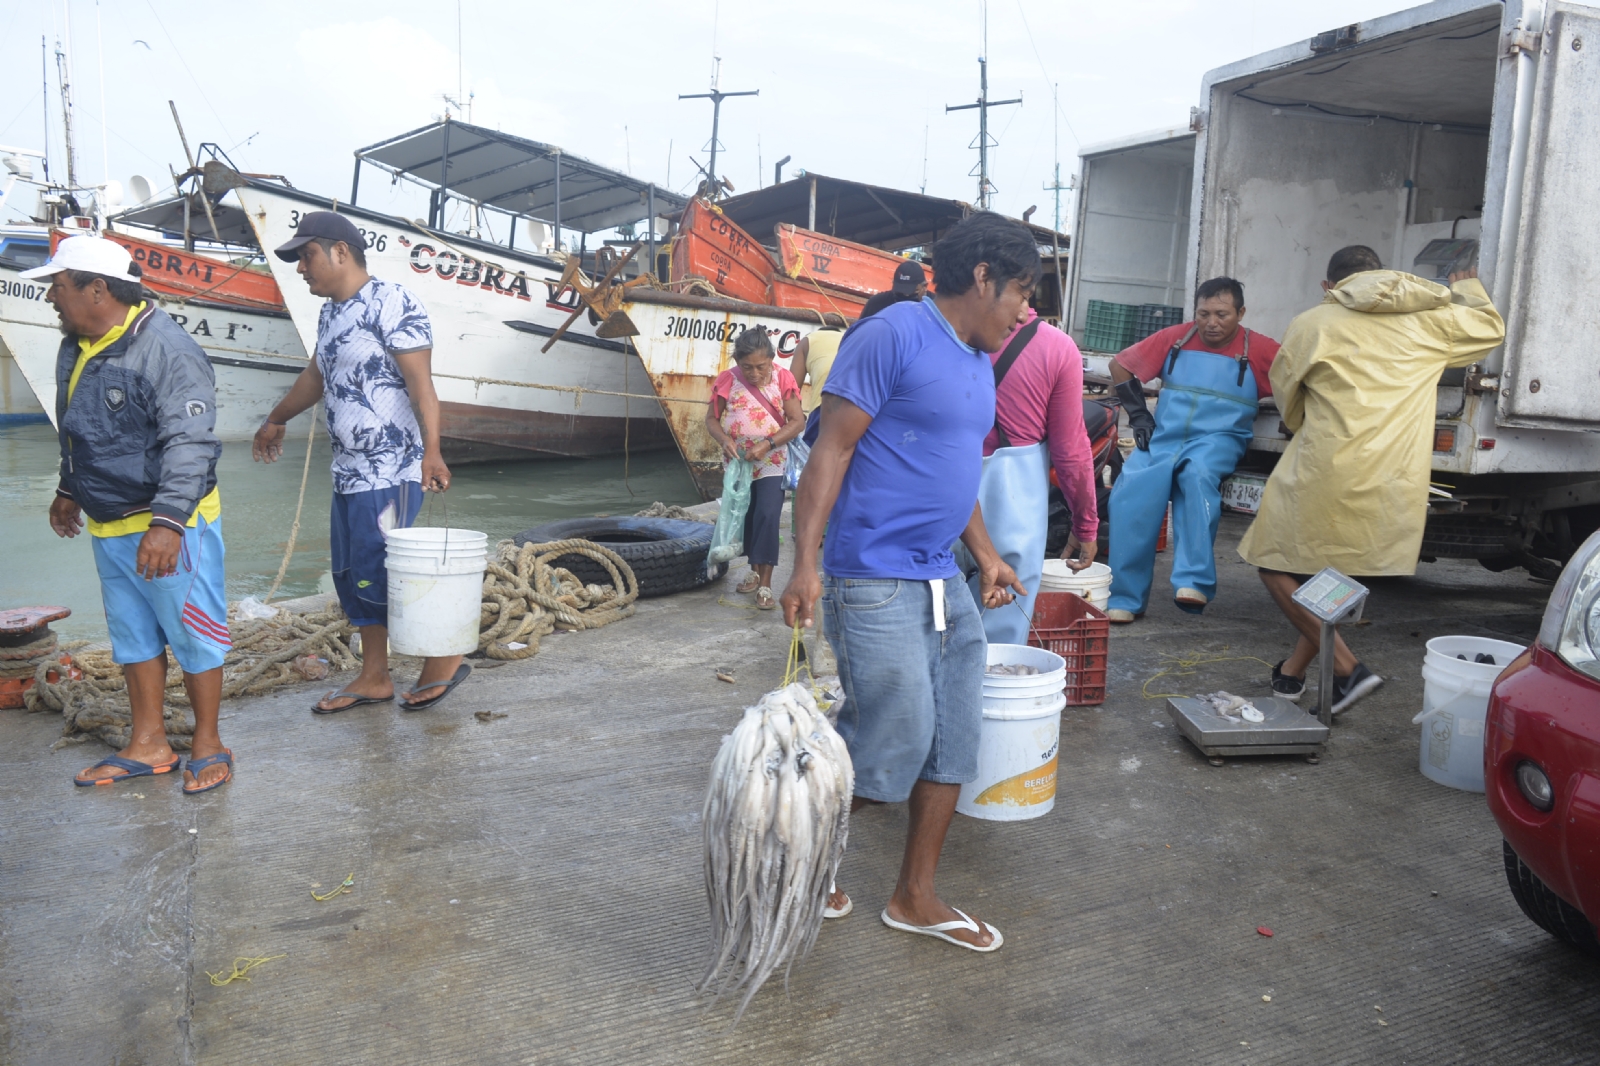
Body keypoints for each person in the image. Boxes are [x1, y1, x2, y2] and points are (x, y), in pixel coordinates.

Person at [780, 212, 1035, 953]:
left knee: (954, 739)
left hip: (943, 577)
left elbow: (954, 472)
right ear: (982, 277)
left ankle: (914, 896)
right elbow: (831, 452)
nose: (1025, 308)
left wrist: (984, 554)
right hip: (874, 578)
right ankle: (792, 852)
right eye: (1020, 289)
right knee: (890, 741)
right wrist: (805, 561)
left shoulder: (977, 357)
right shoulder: (889, 334)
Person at [1238, 246, 1505, 714]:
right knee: (1333, 577)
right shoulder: (1429, 322)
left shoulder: (1312, 325)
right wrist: (1465, 288)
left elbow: (1288, 398)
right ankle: (1293, 673)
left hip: (1326, 467)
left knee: (1270, 562)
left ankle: (1349, 670)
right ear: (1384, 275)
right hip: (1395, 477)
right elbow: (1490, 330)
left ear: (1329, 286)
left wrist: (1305, 422)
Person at [30, 236, 234, 793]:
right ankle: (149, 744)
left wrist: (167, 524)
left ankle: (210, 743)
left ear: (97, 289)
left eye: (58, 285)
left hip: (171, 524)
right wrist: (69, 487)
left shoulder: (168, 351)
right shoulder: (77, 343)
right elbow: (81, 426)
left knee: (194, 635)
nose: (51, 296)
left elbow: (191, 442)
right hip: (109, 521)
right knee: (133, 636)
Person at [252, 211, 469, 714]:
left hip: (391, 469)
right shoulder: (330, 313)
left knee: (384, 570)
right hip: (349, 472)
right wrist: (276, 418)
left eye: (307, 256)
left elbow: (422, 386)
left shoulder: (392, 302)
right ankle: (374, 676)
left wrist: (432, 452)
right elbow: (317, 376)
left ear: (341, 253)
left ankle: (446, 656)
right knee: (352, 574)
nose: (301, 268)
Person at [1103, 277, 1281, 622]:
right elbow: (1120, 365)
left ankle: (1193, 581)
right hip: (1165, 436)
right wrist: (1138, 414)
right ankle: (1124, 596)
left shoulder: (1260, 348)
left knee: (1197, 477)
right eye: (1203, 314)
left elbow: (1298, 379)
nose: (1211, 323)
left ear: (1241, 313)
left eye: (1222, 314)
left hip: (1219, 438)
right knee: (1131, 489)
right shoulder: (1176, 338)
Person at [967, 308, 1099, 645]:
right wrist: (1085, 525)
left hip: (936, 485)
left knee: (933, 616)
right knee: (1001, 620)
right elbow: (1070, 451)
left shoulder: (942, 332)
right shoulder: (1057, 346)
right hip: (1013, 501)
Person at [704, 328, 804, 609]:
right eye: (747, 367)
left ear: (772, 360)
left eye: (761, 367)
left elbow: (796, 422)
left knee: (768, 515)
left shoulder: (783, 377)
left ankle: (766, 583)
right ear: (737, 361)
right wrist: (724, 440)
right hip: (739, 462)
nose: (754, 373)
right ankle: (752, 568)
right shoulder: (728, 379)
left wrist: (768, 444)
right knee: (746, 515)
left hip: (772, 459)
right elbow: (711, 418)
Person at [856, 259, 927, 322]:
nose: (906, 295)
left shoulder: (933, 307)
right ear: (893, 284)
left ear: (924, 287)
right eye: (900, 291)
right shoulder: (876, 303)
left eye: (912, 291)